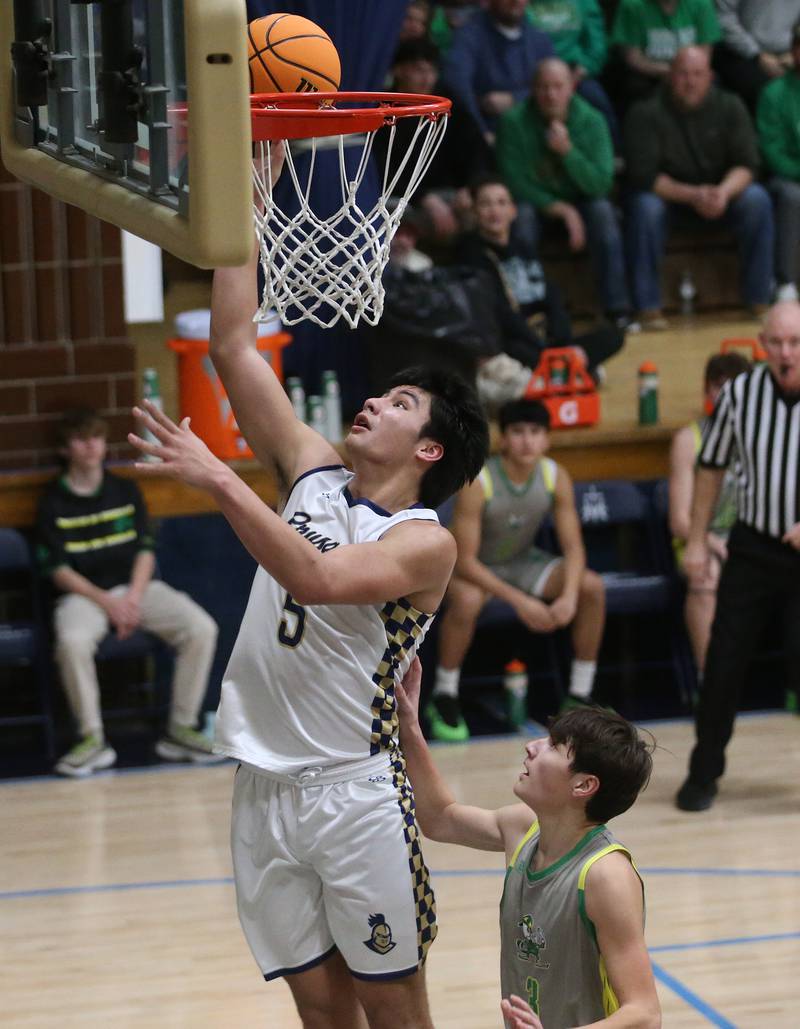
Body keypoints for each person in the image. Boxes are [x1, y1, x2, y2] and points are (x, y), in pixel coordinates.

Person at [127, 204, 490, 1024]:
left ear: (430, 449)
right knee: (325, 1017)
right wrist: (243, 204)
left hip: (354, 792)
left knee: (395, 1013)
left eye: (399, 403)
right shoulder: (312, 472)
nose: (372, 402)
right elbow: (230, 345)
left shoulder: (423, 543)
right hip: (261, 788)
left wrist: (221, 480)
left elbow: (320, 578)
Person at [397, 657, 661, 1028]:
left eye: (554, 746)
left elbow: (645, 1014)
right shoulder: (522, 829)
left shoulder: (605, 877)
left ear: (583, 785)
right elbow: (440, 818)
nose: (532, 746)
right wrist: (409, 726)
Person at [37, 407, 221, 777]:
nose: (90, 446)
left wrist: (133, 600)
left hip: (137, 589)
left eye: (97, 438)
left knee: (201, 627)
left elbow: (144, 552)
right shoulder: (51, 502)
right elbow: (58, 571)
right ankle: (92, 740)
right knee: (72, 642)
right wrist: (109, 604)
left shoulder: (124, 490)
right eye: (80, 439)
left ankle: (181, 730)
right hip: (85, 597)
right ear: (64, 449)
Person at [676, 301, 800, 812]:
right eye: (776, 343)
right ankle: (703, 774)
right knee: (724, 661)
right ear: (761, 343)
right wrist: (699, 539)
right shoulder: (741, 395)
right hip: (754, 545)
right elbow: (710, 467)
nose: (786, 353)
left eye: (795, 343)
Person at [428, 399, 606, 742]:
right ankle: (445, 695)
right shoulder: (479, 480)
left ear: (547, 439)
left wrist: (568, 596)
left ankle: (580, 694)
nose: (527, 441)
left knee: (591, 587)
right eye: (518, 432)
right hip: (474, 567)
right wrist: (520, 602)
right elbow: (464, 560)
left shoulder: (556, 475)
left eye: (535, 432)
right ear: (504, 438)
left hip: (522, 562)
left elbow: (573, 548)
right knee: (466, 599)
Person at [624, 46, 774, 329]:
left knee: (757, 199)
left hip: (721, 197)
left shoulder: (730, 105)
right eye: (682, 74)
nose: (690, 81)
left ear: (710, 77)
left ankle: (759, 300)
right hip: (671, 201)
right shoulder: (645, 112)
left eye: (697, 74)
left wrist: (723, 192)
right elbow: (644, 177)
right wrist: (694, 195)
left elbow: (748, 165)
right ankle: (648, 308)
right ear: (670, 76)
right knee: (644, 206)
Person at [497, 57, 634, 327]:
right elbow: (514, 183)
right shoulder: (513, 122)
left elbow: (601, 184)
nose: (550, 95)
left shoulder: (593, 121)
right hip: (535, 204)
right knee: (519, 219)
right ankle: (530, 309)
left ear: (572, 87)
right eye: (543, 87)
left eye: (558, 87)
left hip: (583, 199)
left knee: (603, 212)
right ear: (532, 89)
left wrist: (568, 153)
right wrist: (562, 210)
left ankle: (618, 309)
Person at [459, 175, 626, 379]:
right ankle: (573, 371)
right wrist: (542, 348)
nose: (495, 211)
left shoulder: (523, 246)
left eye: (502, 203)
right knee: (519, 354)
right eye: (486, 204)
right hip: (511, 341)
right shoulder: (471, 252)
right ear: (475, 212)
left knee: (613, 336)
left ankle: (562, 370)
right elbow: (498, 312)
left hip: (543, 336)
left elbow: (549, 292)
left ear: (513, 211)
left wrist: (561, 340)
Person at [668, 351, 750, 679]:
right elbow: (679, 520)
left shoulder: (763, 437)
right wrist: (714, 543)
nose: (728, 394)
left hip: (749, 537)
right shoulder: (689, 440)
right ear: (707, 392)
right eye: (720, 386)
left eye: (736, 387)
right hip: (699, 537)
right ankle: (712, 683)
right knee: (706, 577)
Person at [378, 38, 494, 242]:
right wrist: (424, 198)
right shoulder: (382, 112)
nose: (426, 78)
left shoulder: (449, 106)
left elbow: (477, 153)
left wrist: (470, 188)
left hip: (451, 196)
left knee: (484, 210)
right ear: (398, 71)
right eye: (418, 70)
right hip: (402, 199)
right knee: (394, 217)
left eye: (431, 71)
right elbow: (383, 172)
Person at [442, 0, 556, 143]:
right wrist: (481, 133)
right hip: (484, 134)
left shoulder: (539, 39)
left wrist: (514, 98)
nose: (515, 1)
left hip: (534, 138)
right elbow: (457, 86)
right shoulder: (468, 35)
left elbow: (557, 87)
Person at [527, 0, 621, 145]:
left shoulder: (585, 3)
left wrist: (584, 69)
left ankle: (613, 154)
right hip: (534, 73)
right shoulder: (524, 5)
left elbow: (597, 46)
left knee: (598, 102)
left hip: (577, 73)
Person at [757, 20, 800, 303]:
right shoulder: (774, 93)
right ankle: (786, 282)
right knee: (793, 196)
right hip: (788, 178)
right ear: (795, 52)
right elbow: (771, 150)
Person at [610, 0, 720, 106]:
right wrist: (671, 72)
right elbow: (633, 57)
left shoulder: (702, 3)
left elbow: (705, 54)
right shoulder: (632, 5)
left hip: (690, 72)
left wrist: (684, 74)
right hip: (648, 75)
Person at [714, 0, 800, 112]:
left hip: (790, 51)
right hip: (743, 52)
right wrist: (756, 54)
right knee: (767, 93)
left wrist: (793, 52)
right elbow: (723, 18)